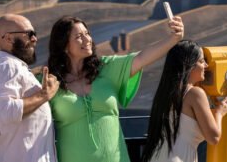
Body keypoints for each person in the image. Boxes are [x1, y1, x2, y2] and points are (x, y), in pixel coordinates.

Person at [39, 15, 184, 162]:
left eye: (87, 34)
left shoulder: (107, 68)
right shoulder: (50, 80)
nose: (87, 39)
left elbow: (142, 58)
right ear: (63, 45)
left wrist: (173, 39)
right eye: (78, 37)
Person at [141, 40, 227, 162]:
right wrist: (219, 112)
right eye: (201, 61)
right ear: (189, 65)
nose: (206, 65)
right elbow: (213, 137)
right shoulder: (195, 94)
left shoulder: (164, 94)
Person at [0, 14, 60, 162]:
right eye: (29, 34)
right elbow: (7, 111)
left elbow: (3, 110)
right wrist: (44, 95)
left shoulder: (12, 67)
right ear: (8, 38)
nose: (34, 39)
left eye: (34, 34)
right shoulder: (8, 66)